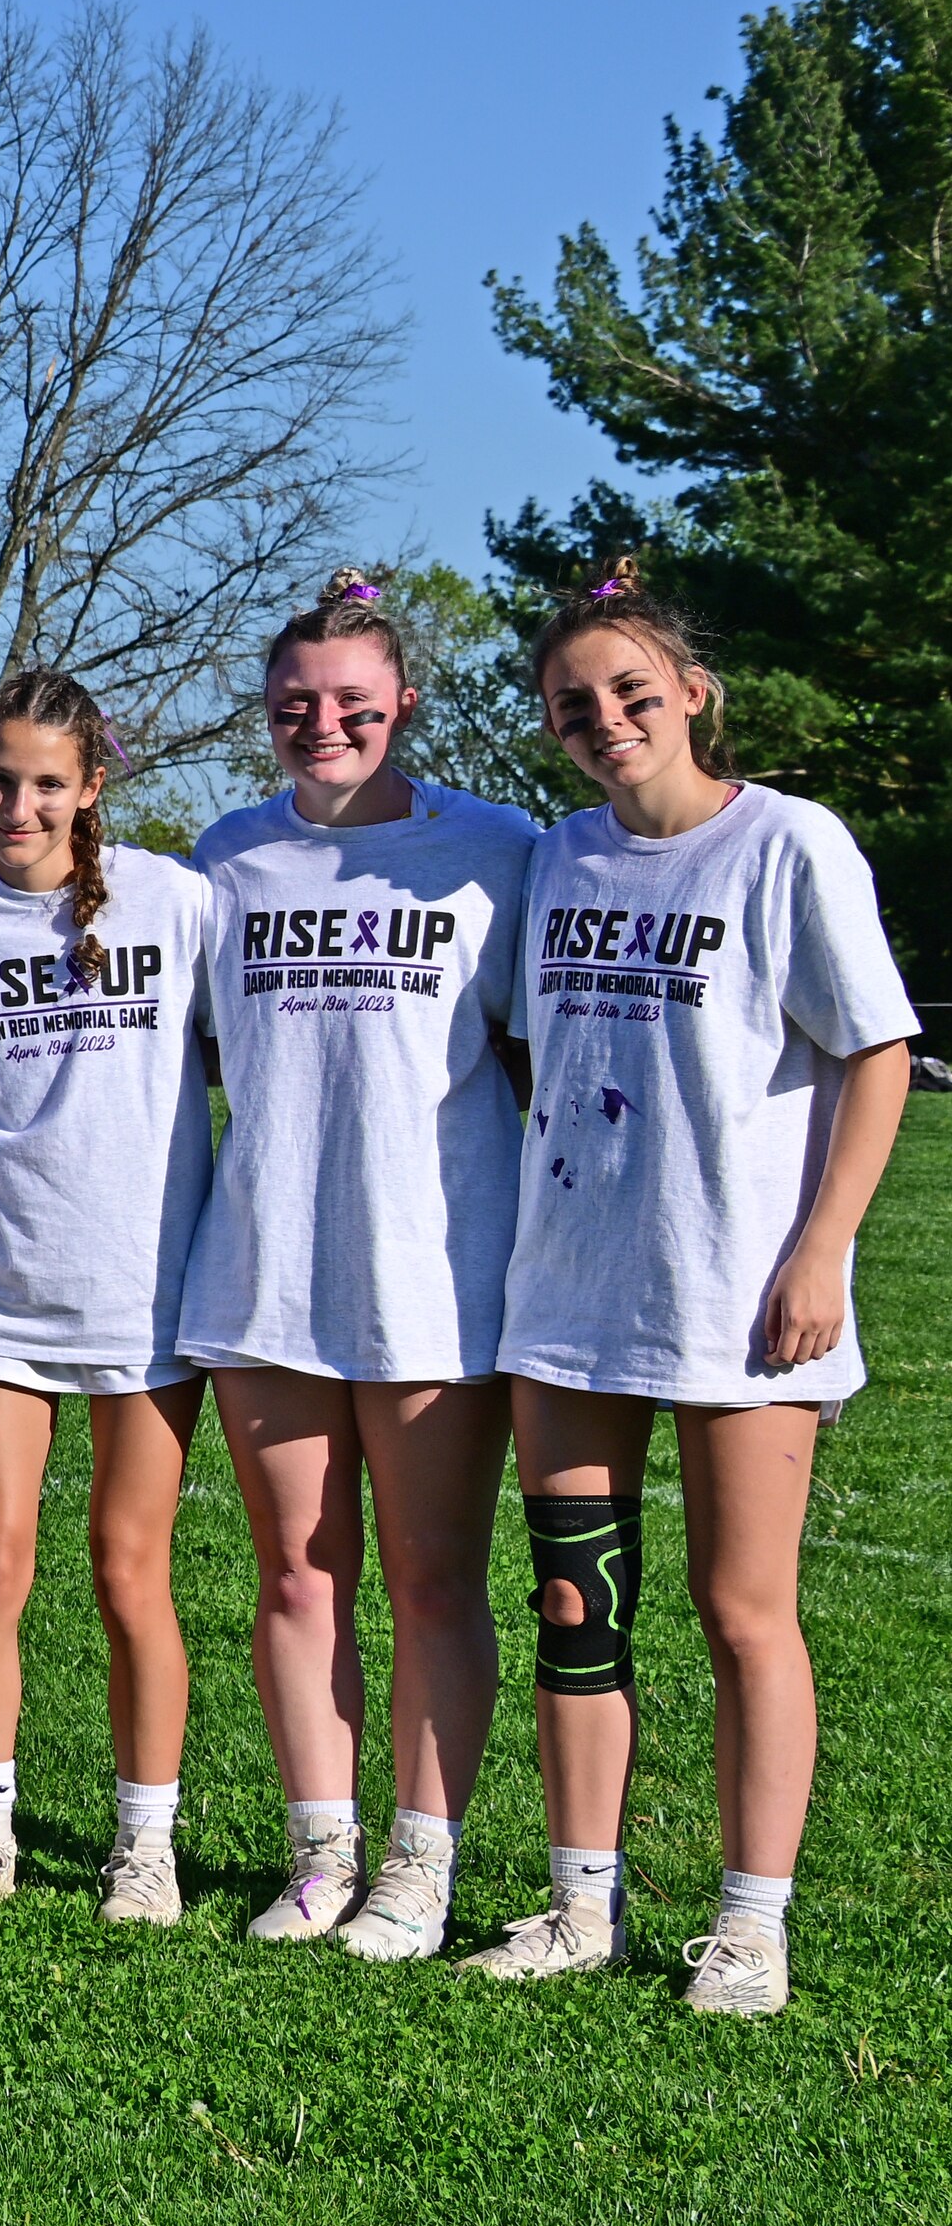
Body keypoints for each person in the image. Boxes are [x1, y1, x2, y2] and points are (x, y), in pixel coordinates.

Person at [481, 562, 912, 2016]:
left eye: (632, 693)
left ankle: (749, 1926)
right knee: (574, 1607)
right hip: (569, 1297)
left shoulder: (788, 844)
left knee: (745, 1612)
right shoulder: (558, 859)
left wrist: (822, 1247)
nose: (608, 720)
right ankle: (578, 1905)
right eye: (575, 704)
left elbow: (876, 1053)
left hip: (739, 1296)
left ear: (693, 694)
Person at [174, 578, 537, 1949]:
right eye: (296, 704)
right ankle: (321, 1853)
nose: (323, 724)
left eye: (353, 703)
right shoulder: (227, 858)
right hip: (267, 1263)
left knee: (434, 1576)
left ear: (405, 705)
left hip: (435, 1270)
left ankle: (421, 1865)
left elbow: (532, 1049)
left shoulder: (495, 850)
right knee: (296, 1575)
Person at [0, 671, 217, 1908]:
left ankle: (144, 1845)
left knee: (129, 1569)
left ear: (90, 787)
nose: (14, 805)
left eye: (43, 783)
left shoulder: (173, 901)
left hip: (142, 1295)